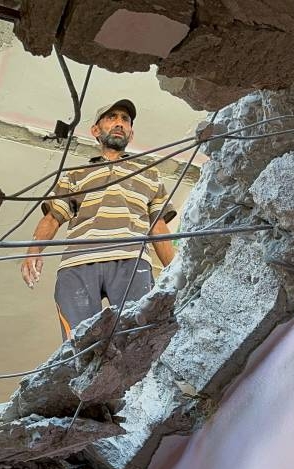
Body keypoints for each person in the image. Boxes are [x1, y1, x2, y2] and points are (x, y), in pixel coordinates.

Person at [20, 98, 177, 339]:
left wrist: (176, 272)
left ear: (131, 133)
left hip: (131, 260)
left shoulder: (150, 175)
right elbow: (53, 218)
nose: (119, 123)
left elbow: (158, 226)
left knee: (139, 339)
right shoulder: (75, 174)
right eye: (111, 117)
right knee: (77, 345)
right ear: (96, 130)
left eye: (125, 120)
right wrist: (34, 250)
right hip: (77, 262)